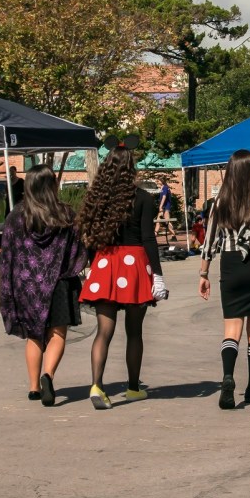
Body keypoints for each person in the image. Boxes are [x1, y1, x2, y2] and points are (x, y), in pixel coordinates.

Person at [76, 144, 169, 410]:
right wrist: (158, 276)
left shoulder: (97, 197)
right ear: (131, 168)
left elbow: (90, 238)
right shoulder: (143, 198)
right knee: (134, 332)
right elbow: (149, 239)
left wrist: (92, 265)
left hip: (105, 263)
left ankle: (97, 385)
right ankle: (132, 387)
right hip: (134, 265)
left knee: (104, 331)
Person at [0, 165, 88, 407]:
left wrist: (8, 288)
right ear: (53, 185)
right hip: (58, 283)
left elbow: (8, 256)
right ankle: (48, 374)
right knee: (58, 334)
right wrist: (69, 271)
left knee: (34, 336)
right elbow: (78, 252)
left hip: (26, 286)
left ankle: (34, 387)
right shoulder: (66, 215)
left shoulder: (16, 217)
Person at [199, 150, 250, 409]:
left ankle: (227, 377)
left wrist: (204, 273)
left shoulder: (220, 202)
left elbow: (209, 241)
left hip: (231, 263)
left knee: (231, 331)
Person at [154, 176, 177, 241]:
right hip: (163, 208)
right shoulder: (162, 188)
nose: (157, 182)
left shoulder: (165, 188)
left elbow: (164, 197)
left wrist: (160, 206)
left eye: (158, 181)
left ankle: (173, 235)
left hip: (166, 207)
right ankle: (155, 233)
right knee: (158, 221)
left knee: (167, 221)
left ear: (162, 181)